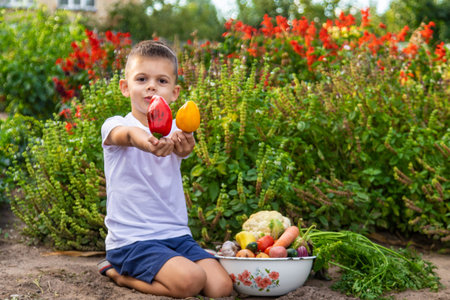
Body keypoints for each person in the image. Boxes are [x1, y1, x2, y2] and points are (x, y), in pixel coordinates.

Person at [97, 40, 233, 298]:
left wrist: (185, 148)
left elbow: (184, 150)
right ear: (125, 88)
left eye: (161, 81)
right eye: (141, 79)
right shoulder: (115, 125)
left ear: (174, 92)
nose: (151, 86)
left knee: (221, 288)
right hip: (133, 241)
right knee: (191, 281)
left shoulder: (176, 131)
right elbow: (128, 136)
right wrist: (146, 143)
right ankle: (117, 273)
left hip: (176, 235)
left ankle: (171, 268)